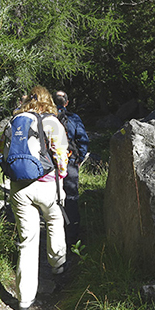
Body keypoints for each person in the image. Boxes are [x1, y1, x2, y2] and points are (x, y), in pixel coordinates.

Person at [6, 85, 69, 310]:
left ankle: (24, 299)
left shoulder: (15, 121)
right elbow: (61, 155)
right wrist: (60, 176)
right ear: (47, 100)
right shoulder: (52, 121)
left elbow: (1, 151)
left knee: (27, 240)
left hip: (19, 188)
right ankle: (58, 267)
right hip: (46, 185)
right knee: (54, 221)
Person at [53, 90, 89, 247]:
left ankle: (52, 237)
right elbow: (83, 139)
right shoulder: (74, 118)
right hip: (70, 160)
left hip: (51, 163)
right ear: (66, 103)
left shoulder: (47, 119)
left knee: (51, 199)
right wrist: (79, 159)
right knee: (72, 197)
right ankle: (72, 238)